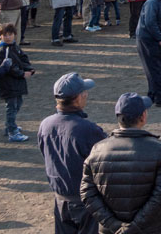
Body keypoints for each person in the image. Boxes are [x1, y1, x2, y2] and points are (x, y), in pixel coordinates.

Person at [80, 92, 161, 234]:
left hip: (111, 230)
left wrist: (114, 225)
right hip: (149, 229)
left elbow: (87, 193)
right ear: (143, 116)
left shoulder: (97, 149)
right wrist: (135, 226)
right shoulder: (158, 149)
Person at [37, 73, 105, 234]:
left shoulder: (45, 125)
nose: (86, 95)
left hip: (60, 199)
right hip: (85, 201)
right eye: (84, 92)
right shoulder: (87, 129)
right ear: (78, 98)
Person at [0, 23, 34, 141]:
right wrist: (22, 74)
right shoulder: (3, 50)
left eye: (10, 34)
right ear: (0, 36)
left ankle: (10, 126)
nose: (7, 37)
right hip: (8, 84)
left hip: (16, 83)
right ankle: (12, 132)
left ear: (15, 35)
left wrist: (29, 68)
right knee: (11, 107)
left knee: (18, 103)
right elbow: (8, 67)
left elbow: (23, 58)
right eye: (4, 35)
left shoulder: (15, 46)